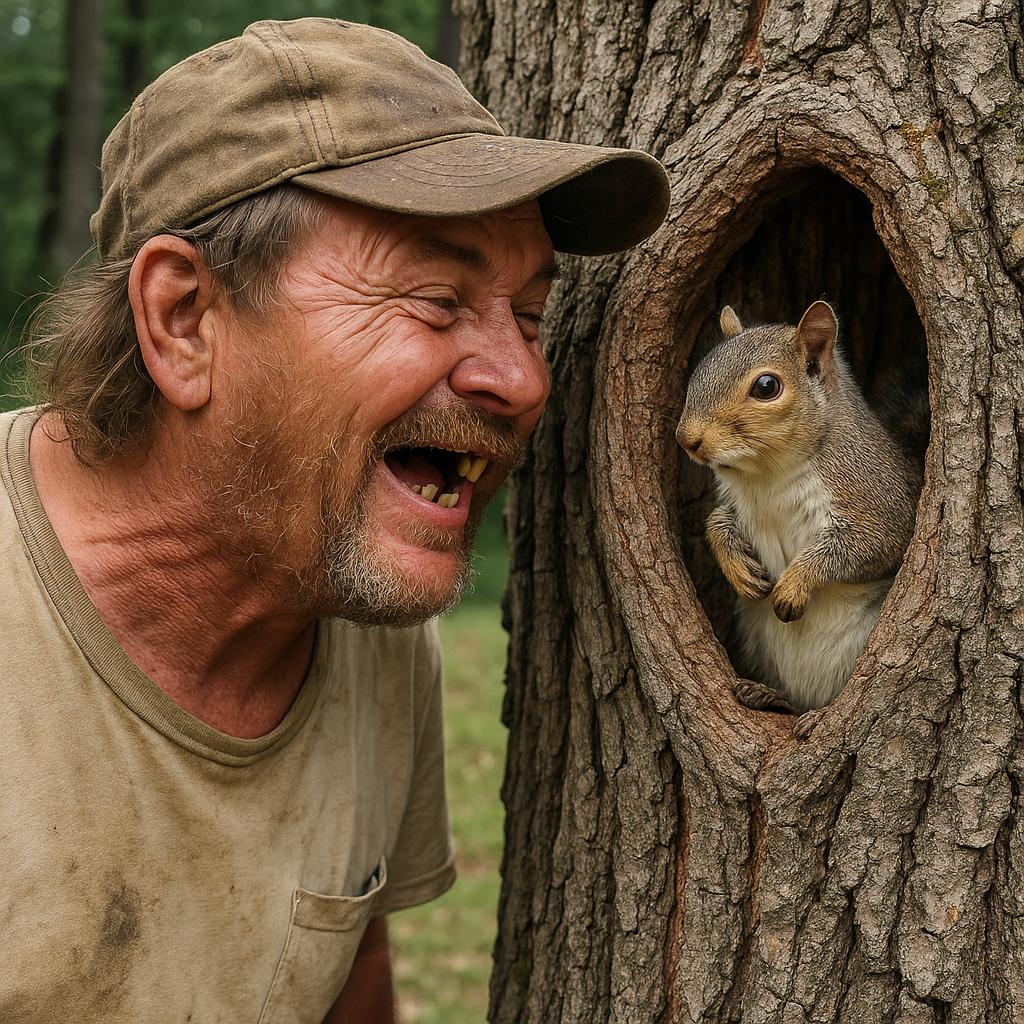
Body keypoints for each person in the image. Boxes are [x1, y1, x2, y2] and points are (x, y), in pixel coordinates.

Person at [0, 17, 669, 1023]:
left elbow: (346, 985)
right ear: (184, 321)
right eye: (436, 299)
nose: (524, 378)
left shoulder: (368, 622)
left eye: (530, 317)